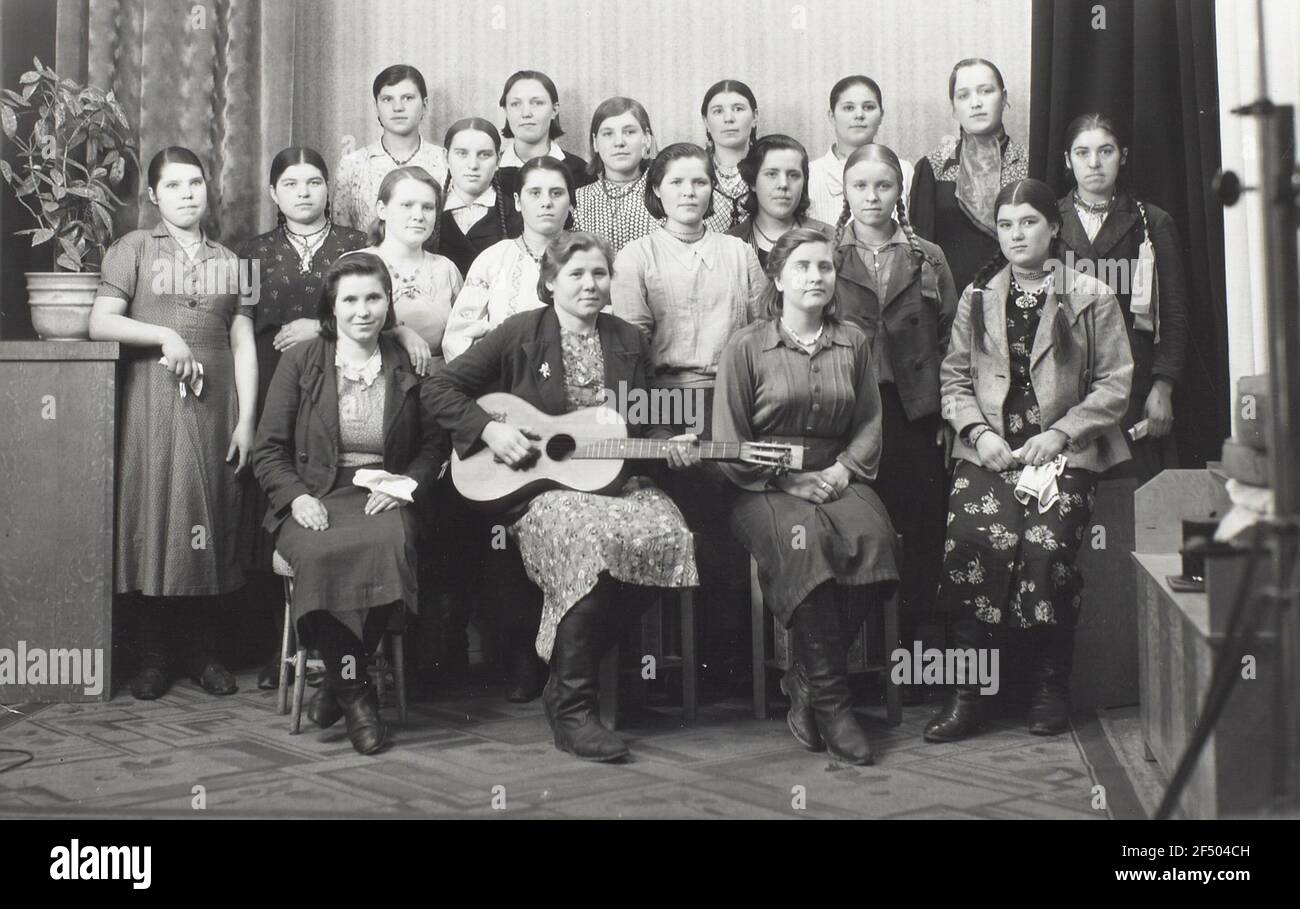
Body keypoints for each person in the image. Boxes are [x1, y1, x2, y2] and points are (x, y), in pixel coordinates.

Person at [428, 232, 700, 762]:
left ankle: (560, 677)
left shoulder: (627, 339)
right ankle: (575, 707)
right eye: (575, 274)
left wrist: (671, 447)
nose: (589, 284)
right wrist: (488, 430)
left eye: (599, 274)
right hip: (543, 489)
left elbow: (643, 429)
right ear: (550, 281)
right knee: (588, 540)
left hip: (619, 484)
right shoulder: (519, 333)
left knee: (670, 536)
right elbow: (437, 389)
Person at [926, 179, 1133, 743]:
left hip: (1062, 454)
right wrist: (975, 431)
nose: (1018, 234)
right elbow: (953, 377)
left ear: (1053, 228)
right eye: (1007, 224)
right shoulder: (976, 297)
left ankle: (1048, 687)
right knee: (971, 543)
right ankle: (969, 695)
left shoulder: (1092, 294)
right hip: (991, 451)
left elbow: (1115, 385)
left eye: (1030, 222)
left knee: (1047, 553)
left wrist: (1062, 434)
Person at [713, 227, 900, 764]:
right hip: (762, 486)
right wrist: (785, 480)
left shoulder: (854, 341)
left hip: (837, 474)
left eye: (824, 267)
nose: (815, 277)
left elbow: (868, 422)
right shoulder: (747, 345)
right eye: (802, 267)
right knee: (806, 545)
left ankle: (807, 687)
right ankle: (835, 707)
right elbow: (729, 440)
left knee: (876, 540)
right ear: (777, 276)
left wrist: (843, 472)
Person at [253, 252, 447, 755]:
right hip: (314, 492)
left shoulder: (407, 360)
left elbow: (433, 445)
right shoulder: (302, 360)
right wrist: (294, 498)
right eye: (351, 300)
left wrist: (403, 486)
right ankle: (357, 697)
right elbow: (268, 447)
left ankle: (339, 689)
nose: (363, 310)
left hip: (384, 493)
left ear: (389, 304)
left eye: (374, 298)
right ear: (331, 307)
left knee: (392, 545)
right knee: (316, 554)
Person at [89, 147, 256, 700]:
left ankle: (205, 654)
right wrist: (165, 335)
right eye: (175, 186)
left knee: (212, 516)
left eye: (196, 183)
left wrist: (247, 419)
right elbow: (100, 322)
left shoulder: (234, 262)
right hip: (150, 405)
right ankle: (153, 657)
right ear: (154, 196)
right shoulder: (132, 249)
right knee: (154, 516)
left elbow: (242, 340)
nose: (188, 194)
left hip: (215, 409)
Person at [613, 142, 768, 682]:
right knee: (691, 507)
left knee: (737, 509)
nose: (688, 192)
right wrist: (663, 428)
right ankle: (687, 661)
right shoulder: (636, 257)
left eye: (699, 183)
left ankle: (731, 657)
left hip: (730, 396)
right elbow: (631, 354)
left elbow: (757, 336)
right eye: (676, 182)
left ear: (712, 191)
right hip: (661, 399)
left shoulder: (738, 253)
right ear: (656, 189)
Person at [830, 143, 958, 700]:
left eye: (883, 186)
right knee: (859, 532)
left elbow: (955, 339)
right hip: (850, 418)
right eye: (861, 186)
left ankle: (908, 659)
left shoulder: (928, 257)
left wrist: (946, 415)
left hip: (914, 416)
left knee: (923, 531)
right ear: (846, 191)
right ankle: (852, 661)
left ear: (898, 192)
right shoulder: (825, 257)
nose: (872, 197)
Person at [1056, 112, 1189, 481]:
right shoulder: (1048, 223)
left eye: (1106, 151)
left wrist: (1163, 387)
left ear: (1123, 155)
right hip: (1065, 394)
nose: (1094, 163)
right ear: (1068, 160)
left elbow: (1175, 314)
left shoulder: (1152, 223)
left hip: (1134, 389)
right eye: (1082, 153)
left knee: (1135, 509)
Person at [910, 58, 1029, 296]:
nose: (976, 103)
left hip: (1020, 298)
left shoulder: (1030, 165)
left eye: (986, 91)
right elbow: (921, 254)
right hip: (953, 303)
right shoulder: (933, 168)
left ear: (1003, 98)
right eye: (964, 96)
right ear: (953, 107)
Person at [442, 156, 575, 362]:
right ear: (518, 202)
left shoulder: (588, 258)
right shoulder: (494, 260)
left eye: (556, 193)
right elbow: (457, 337)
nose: (546, 202)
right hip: (507, 382)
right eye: (535, 193)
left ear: (570, 202)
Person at [360, 165, 464, 369]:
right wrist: (397, 332)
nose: (419, 216)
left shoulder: (446, 269)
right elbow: (334, 331)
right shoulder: (357, 266)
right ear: (382, 209)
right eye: (407, 205)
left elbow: (462, 335)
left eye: (427, 207)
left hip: (436, 385)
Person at [333, 64, 449, 232]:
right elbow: (341, 233)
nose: (398, 107)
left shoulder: (445, 161)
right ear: (376, 106)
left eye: (408, 98)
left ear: (424, 105)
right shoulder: (353, 164)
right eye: (387, 99)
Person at [808, 76, 914, 224]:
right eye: (848, 108)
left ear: (881, 115)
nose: (859, 115)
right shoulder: (810, 174)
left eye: (868, 107)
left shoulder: (904, 170)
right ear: (832, 116)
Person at [727, 133, 830, 267]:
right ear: (753, 182)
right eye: (771, 174)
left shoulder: (831, 238)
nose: (783, 184)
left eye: (793, 175)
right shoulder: (728, 245)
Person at [573, 96, 661, 253]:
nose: (619, 142)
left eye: (629, 132)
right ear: (595, 142)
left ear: (647, 138)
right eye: (608, 134)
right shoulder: (578, 200)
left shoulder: (663, 196)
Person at [437, 118, 518, 279]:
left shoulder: (516, 215)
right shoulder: (427, 214)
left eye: (484, 155)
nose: (473, 165)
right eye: (462, 153)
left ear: (498, 160)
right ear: (446, 158)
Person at [495, 70, 592, 201]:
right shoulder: (489, 172)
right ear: (506, 111)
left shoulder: (582, 172)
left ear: (554, 110)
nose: (526, 113)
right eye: (515, 104)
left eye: (537, 103)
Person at [699, 80, 759, 232]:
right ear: (706, 121)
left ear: (755, 117)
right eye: (718, 111)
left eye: (738, 109)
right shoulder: (694, 170)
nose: (729, 118)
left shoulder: (771, 168)